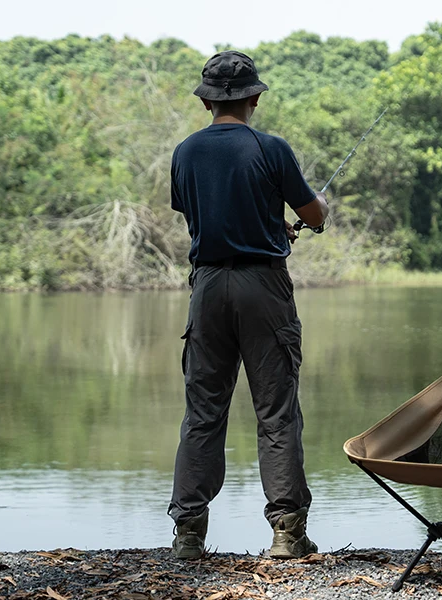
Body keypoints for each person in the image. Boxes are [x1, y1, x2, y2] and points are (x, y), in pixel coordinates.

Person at [166, 50, 330, 561]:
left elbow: (204, 215)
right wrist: (313, 213)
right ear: (255, 98)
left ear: (206, 102)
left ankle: (188, 535)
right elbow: (313, 214)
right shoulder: (271, 148)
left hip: (207, 287)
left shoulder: (185, 152)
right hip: (263, 287)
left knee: (202, 412)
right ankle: (287, 534)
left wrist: (265, 224)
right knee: (276, 413)